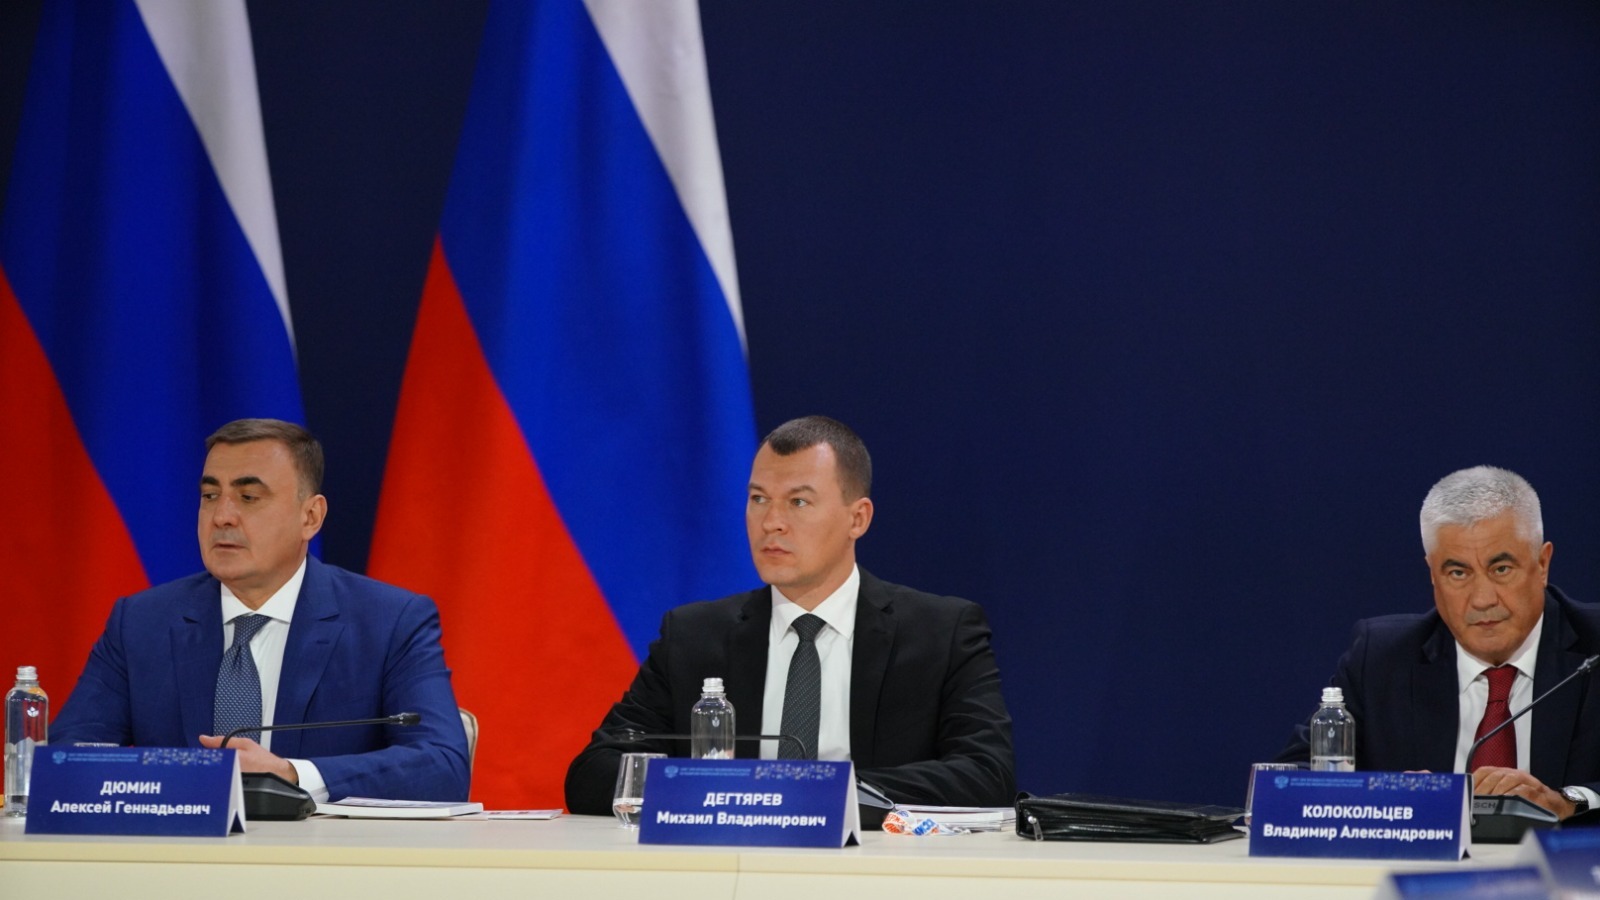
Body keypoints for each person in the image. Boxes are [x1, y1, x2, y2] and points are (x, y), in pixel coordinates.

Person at [564, 415, 1015, 816]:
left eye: (798, 502)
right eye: (759, 499)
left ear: (858, 519)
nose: (771, 522)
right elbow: (594, 773)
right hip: (732, 866)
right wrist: (725, 793)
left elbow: (987, 774)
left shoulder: (941, 633)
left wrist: (820, 795)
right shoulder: (693, 636)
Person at [51, 419, 470, 802]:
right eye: (210, 495)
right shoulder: (141, 623)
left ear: (310, 517)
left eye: (248, 497)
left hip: (323, 858)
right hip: (176, 855)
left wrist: (291, 775)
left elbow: (443, 766)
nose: (222, 516)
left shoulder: (390, 622)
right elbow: (66, 758)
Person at [1276, 465, 1600, 818]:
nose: (1482, 599)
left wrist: (1569, 801)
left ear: (1542, 563)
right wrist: (1384, 794)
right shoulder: (1382, 659)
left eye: (1501, 569)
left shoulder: (1593, 648)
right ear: (1433, 575)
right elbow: (1291, 779)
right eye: (1458, 573)